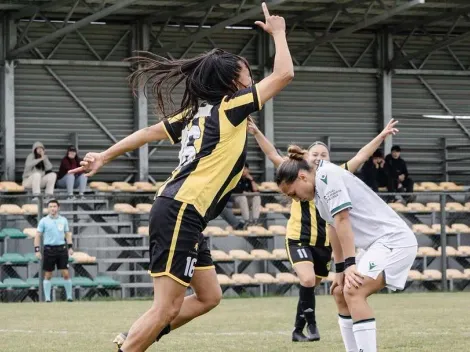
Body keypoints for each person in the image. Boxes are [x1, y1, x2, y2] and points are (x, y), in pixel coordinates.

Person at [69, 3, 293, 351]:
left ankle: (134, 336)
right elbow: (284, 75)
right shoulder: (230, 107)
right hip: (181, 209)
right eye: (248, 72)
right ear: (234, 81)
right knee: (167, 306)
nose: (252, 77)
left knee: (208, 296)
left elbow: (146, 133)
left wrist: (104, 155)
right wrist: (279, 33)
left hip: (182, 210)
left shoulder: (195, 112)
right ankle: (133, 342)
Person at [248, 119, 400, 342]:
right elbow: (272, 153)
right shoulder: (295, 176)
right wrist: (256, 132)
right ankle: (312, 326)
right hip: (299, 238)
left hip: (324, 243)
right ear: (305, 161)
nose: (319, 157)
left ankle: (298, 329)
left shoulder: (336, 175)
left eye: (323, 154)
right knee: (308, 280)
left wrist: (382, 135)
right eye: (315, 154)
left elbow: (361, 156)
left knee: (310, 285)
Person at [275, 147, 418, 352]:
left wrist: (351, 265)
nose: (296, 199)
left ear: (302, 177)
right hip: (375, 245)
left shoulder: (327, 176)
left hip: (393, 241)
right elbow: (333, 226)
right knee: (340, 291)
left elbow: (343, 219)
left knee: (354, 289)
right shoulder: (317, 190)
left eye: (294, 193)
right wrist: (341, 269)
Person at [34, 199, 74, 302]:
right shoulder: (43, 221)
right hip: (49, 249)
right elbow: (37, 235)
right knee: (48, 274)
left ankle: (69, 297)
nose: (53, 208)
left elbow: (67, 234)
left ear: (58, 208)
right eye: (50, 206)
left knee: (65, 273)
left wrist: (70, 247)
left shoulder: (63, 220)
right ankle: (47, 298)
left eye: (54, 206)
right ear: (48, 208)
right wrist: (37, 250)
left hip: (61, 249)